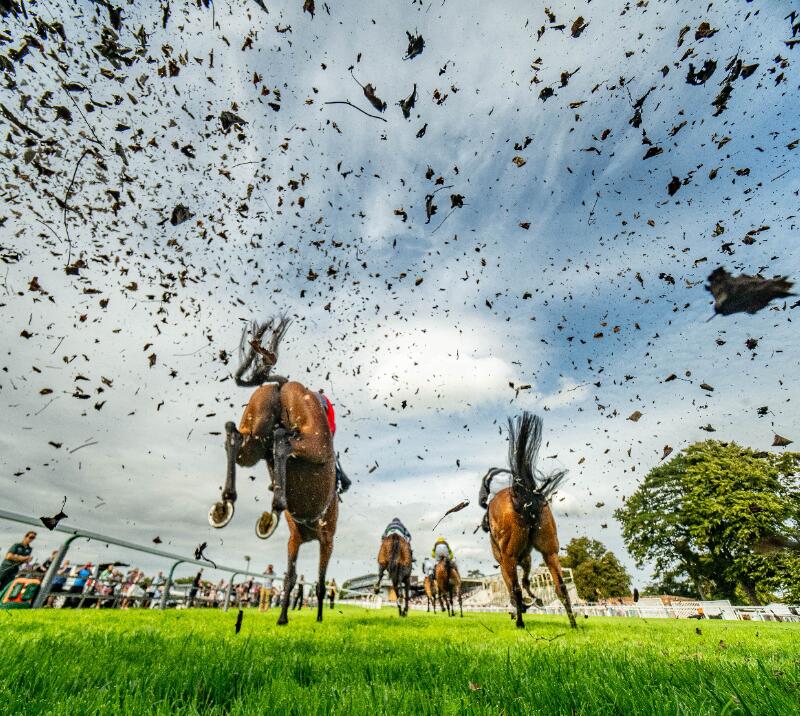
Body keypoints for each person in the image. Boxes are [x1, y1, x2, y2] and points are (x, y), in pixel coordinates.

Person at [316, 390, 351, 495]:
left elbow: (324, 417)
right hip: (322, 424)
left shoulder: (319, 399)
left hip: (327, 426)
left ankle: (341, 478)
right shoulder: (314, 398)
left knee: (328, 451)